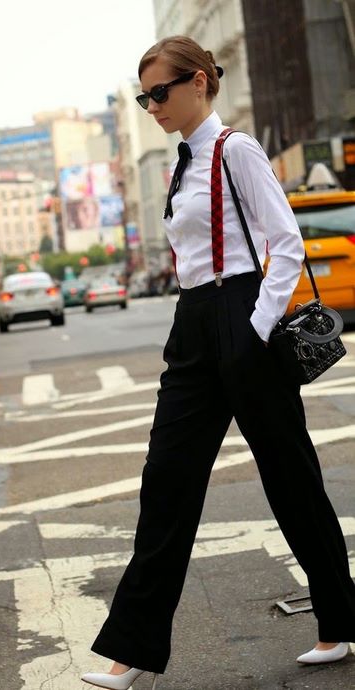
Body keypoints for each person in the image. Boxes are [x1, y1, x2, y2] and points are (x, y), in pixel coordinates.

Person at [81, 36, 355, 690]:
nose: (152, 105)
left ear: (200, 81)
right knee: (165, 483)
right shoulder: (181, 163)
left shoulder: (236, 150)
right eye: (143, 96)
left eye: (160, 92)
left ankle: (339, 623)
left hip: (242, 316)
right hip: (193, 324)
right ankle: (134, 649)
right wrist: (204, 328)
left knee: (291, 477)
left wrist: (254, 329)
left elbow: (286, 243)